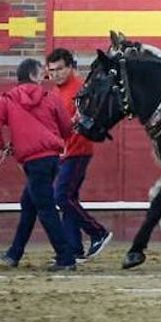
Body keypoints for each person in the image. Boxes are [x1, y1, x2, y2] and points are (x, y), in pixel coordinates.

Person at [0, 58, 77, 272]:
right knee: (29, 204)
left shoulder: (7, 99)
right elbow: (66, 128)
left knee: (45, 210)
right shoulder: (50, 97)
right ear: (34, 76)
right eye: (42, 74)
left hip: (33, 163)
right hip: (52, 159)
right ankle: (14, 253)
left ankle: (66, 258)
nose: (46, 77)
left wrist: (0, 147)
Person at [46, 48, 114, 265]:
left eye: (59, 69)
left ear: (70, 67)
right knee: (68, 200)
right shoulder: (54, 93)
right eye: (51, 70)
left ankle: (98, 232)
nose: (55, 74)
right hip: (64, 152)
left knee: (61, 197)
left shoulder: (81, 89)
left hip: (78, 150)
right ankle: (74, 249)